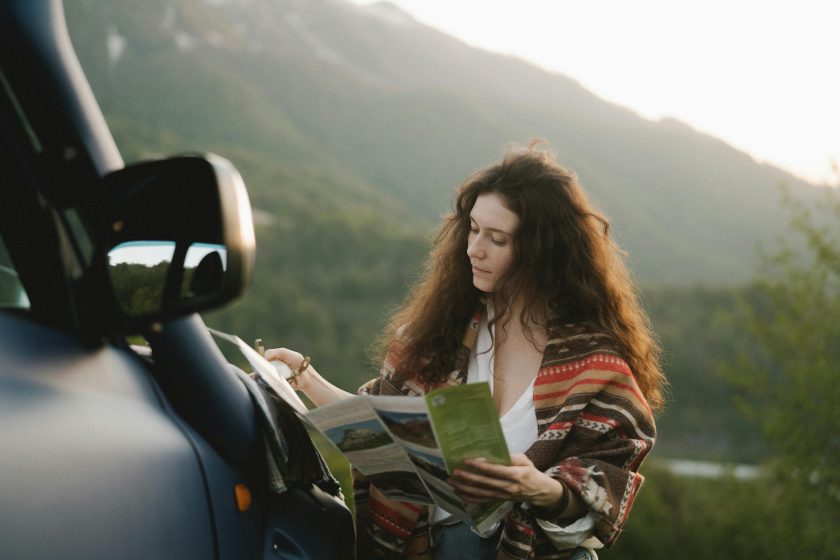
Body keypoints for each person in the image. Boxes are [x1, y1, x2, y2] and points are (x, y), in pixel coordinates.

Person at [266, 141, 665, 560]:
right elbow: (383, 428)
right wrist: (305, 378)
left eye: (497, 238)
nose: (474, 248)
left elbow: (605, 488)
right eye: (473, 229)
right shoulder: (442, 332)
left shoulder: (593, 365)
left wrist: (539, 487)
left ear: (542, 250)